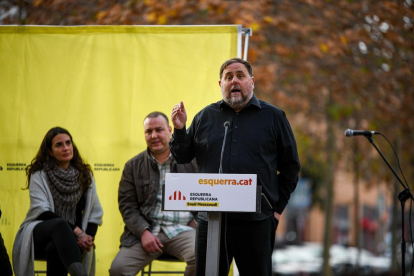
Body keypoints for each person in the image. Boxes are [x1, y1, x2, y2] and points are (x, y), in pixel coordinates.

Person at [170, 57, 301, 276]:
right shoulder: (205, 117)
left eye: (240, 76)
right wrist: (180, 129)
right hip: (211, 220)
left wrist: (276, 211)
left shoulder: (274, 117)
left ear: (252, 81)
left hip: (256, 221)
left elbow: (290, 167)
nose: (234, 81)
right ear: (220, 84)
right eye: (228, 77)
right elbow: (182, 157)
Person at [109, 112, 198, 276]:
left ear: (170, 130)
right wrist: (143, 232)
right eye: (148, 131)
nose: (154, 135)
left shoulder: (191, 162)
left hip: (183, 230)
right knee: (118, 270)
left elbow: (207, 196)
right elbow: (127, 206)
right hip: (147, 233)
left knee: (202, 258)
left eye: (159, 130)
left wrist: (197, 220)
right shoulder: (132, 166)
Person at [12, 127, 103, 276]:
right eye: (59, 145)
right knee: (60, 225)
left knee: (56, 247)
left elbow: (95, 213)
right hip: (40, 233)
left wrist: (87, 238)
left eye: (68, 143)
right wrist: (78, 232)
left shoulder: (85, 175)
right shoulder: (39, 175)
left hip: (73, 240)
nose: (66, 148)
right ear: (49, 151)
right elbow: (42, 211)